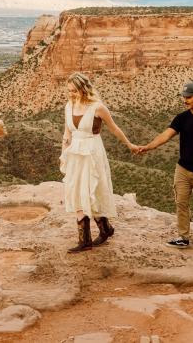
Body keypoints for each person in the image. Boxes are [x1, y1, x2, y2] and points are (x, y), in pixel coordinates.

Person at [138, 82, 193, 249]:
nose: (185, 100)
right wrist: (148, 147)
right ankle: (183, 237)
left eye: (189, 97)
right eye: (184, 97)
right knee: (181, 202)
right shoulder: (182, 118)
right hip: (183, 169)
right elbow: (165, 135)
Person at [60, 72, 138, 253]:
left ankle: (104, 229)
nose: (71, 94)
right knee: (76, 192)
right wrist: (64, 155)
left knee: (91, 190)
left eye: (74, 91)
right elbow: (67, 134)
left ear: (83, 89)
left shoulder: (98, 107)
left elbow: (115, 129)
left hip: (92, 153)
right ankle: (87, 240)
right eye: (69, 91)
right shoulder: (68, 106)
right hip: (75, 154)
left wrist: (129, 145)